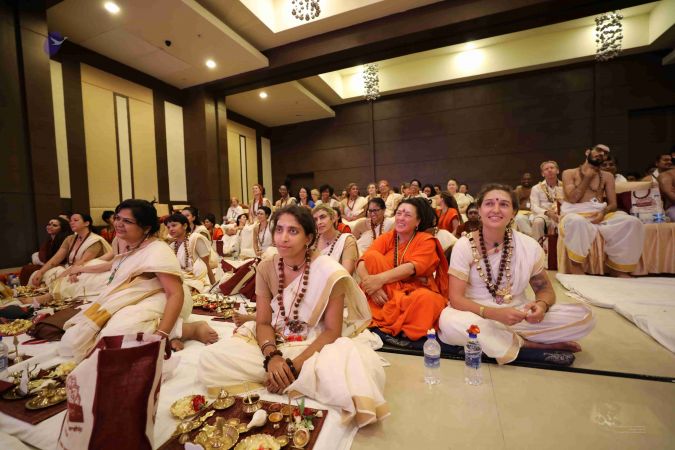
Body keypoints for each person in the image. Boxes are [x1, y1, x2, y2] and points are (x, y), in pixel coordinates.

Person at [198, 206, 388, 427]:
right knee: (210, 359)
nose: (283, 238)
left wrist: (294, 366)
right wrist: (272, 358)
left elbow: (332, 331)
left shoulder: (329, 272)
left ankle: (286, 376)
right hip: (275, 336)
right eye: (279, 230)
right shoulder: (266, 267)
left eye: (293, 231)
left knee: (352, 367)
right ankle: (285, 376)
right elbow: (263, 322)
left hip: (313, 341)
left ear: (309, 238)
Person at [437, 184, 595, 364]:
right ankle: (529, 344)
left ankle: (500, 340)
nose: (496, 209)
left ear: (513, 212)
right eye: (489, 204)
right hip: (475, 313)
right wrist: (494, 314)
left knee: (585, 317)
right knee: (448, 322)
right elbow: (456, 299)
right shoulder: (464, 245)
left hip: (518, 314)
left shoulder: (528, 246)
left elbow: (544, 289)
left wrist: (541, 306)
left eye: (504, 204)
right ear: (479, 210)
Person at [59, 200, 217, 360]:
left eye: (127, 221)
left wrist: (161, 335)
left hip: (165, 297)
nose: (118, 224)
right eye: (117, 218)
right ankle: (168, 331)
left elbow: (175, 294)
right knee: (71, 342)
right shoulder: (119, 241)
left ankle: (188, 330)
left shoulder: (158, 250)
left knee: (115, 338)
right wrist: (81, 269)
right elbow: (114, 266)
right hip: (131, 295)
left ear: (146, 228)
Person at [356, 198, 449, 341]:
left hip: (412, 293)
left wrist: (378, 280)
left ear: (418, 222)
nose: (401, 218)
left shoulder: (426, 240)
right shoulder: (388, 237)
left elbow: (411, 267)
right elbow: (362, 261)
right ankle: (398, 320)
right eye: (399, 213)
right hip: (383, 294)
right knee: (372, 257)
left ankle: (391, 319)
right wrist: (371, 286)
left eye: (407, 215)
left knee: (428, 299)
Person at [560, 145, 645, 277]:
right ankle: (576, 266)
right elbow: (572, 198)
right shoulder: (569, 173)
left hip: (600, 213)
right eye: (598, 150)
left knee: (633, 222)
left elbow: (613, 204)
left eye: (605, 153)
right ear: (587, 152)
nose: (601, 154)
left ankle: (618, 268)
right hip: (575, 213)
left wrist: (602, 213)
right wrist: (587, 178)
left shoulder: (607, 176)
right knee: (576, 222)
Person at [30, 213, 110, 288]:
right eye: (71, 221)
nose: (72, 223)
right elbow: (56, 258)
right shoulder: (69, 239)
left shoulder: (95, 240)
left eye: (75, 220)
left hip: (86, 271)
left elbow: (83, 261)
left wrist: (62, 277)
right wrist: (40, 272)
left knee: (62, 281)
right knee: (37, 274)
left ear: (86, 223)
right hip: (70, 268)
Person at [165, 213, 216, 292]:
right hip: (181, 280)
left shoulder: (195, 239)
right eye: (168, 227)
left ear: (185, 226)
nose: (171, 229)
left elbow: (207, 265)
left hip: (198, 281)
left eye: (174, 225)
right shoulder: (172, 246)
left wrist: (214, 286)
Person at [19, 217, 70, 285]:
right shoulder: (49, 240)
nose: (50, 227)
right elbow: (42, 255)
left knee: (29, 269)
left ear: (62, 228)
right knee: (27, 268)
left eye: (54, 225)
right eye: (49, 224)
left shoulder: (64, 240)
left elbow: (59, 260)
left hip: (60, 266)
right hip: (48, 264)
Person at [312, 204, 358, 275]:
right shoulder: (312, 240)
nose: (319, 222)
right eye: (315, 220)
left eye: (322, 217)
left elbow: (346, 274)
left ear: (333, 218)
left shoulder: (347, 240)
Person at [530, 161, 564, 242]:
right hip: (544, 215)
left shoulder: (565, 186)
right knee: (538, 222)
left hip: (561, 214)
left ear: (557, 171)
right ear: (542, 174)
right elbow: (534, 207)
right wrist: (547, 212)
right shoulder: (536, 188)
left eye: (552, 168)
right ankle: (537, 246)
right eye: (546, 169)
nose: (549, 170)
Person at [513, 173, 537, 239]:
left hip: (534, 212)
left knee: (536, 220)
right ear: (521, 180)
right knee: (519, 218)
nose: (526, 181)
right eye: (524, 179)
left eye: (528, 179)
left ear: (532, 180)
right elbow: (515, 205)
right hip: (522, 212)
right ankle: (533, 238)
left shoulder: (536, 189)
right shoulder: (518, 190)